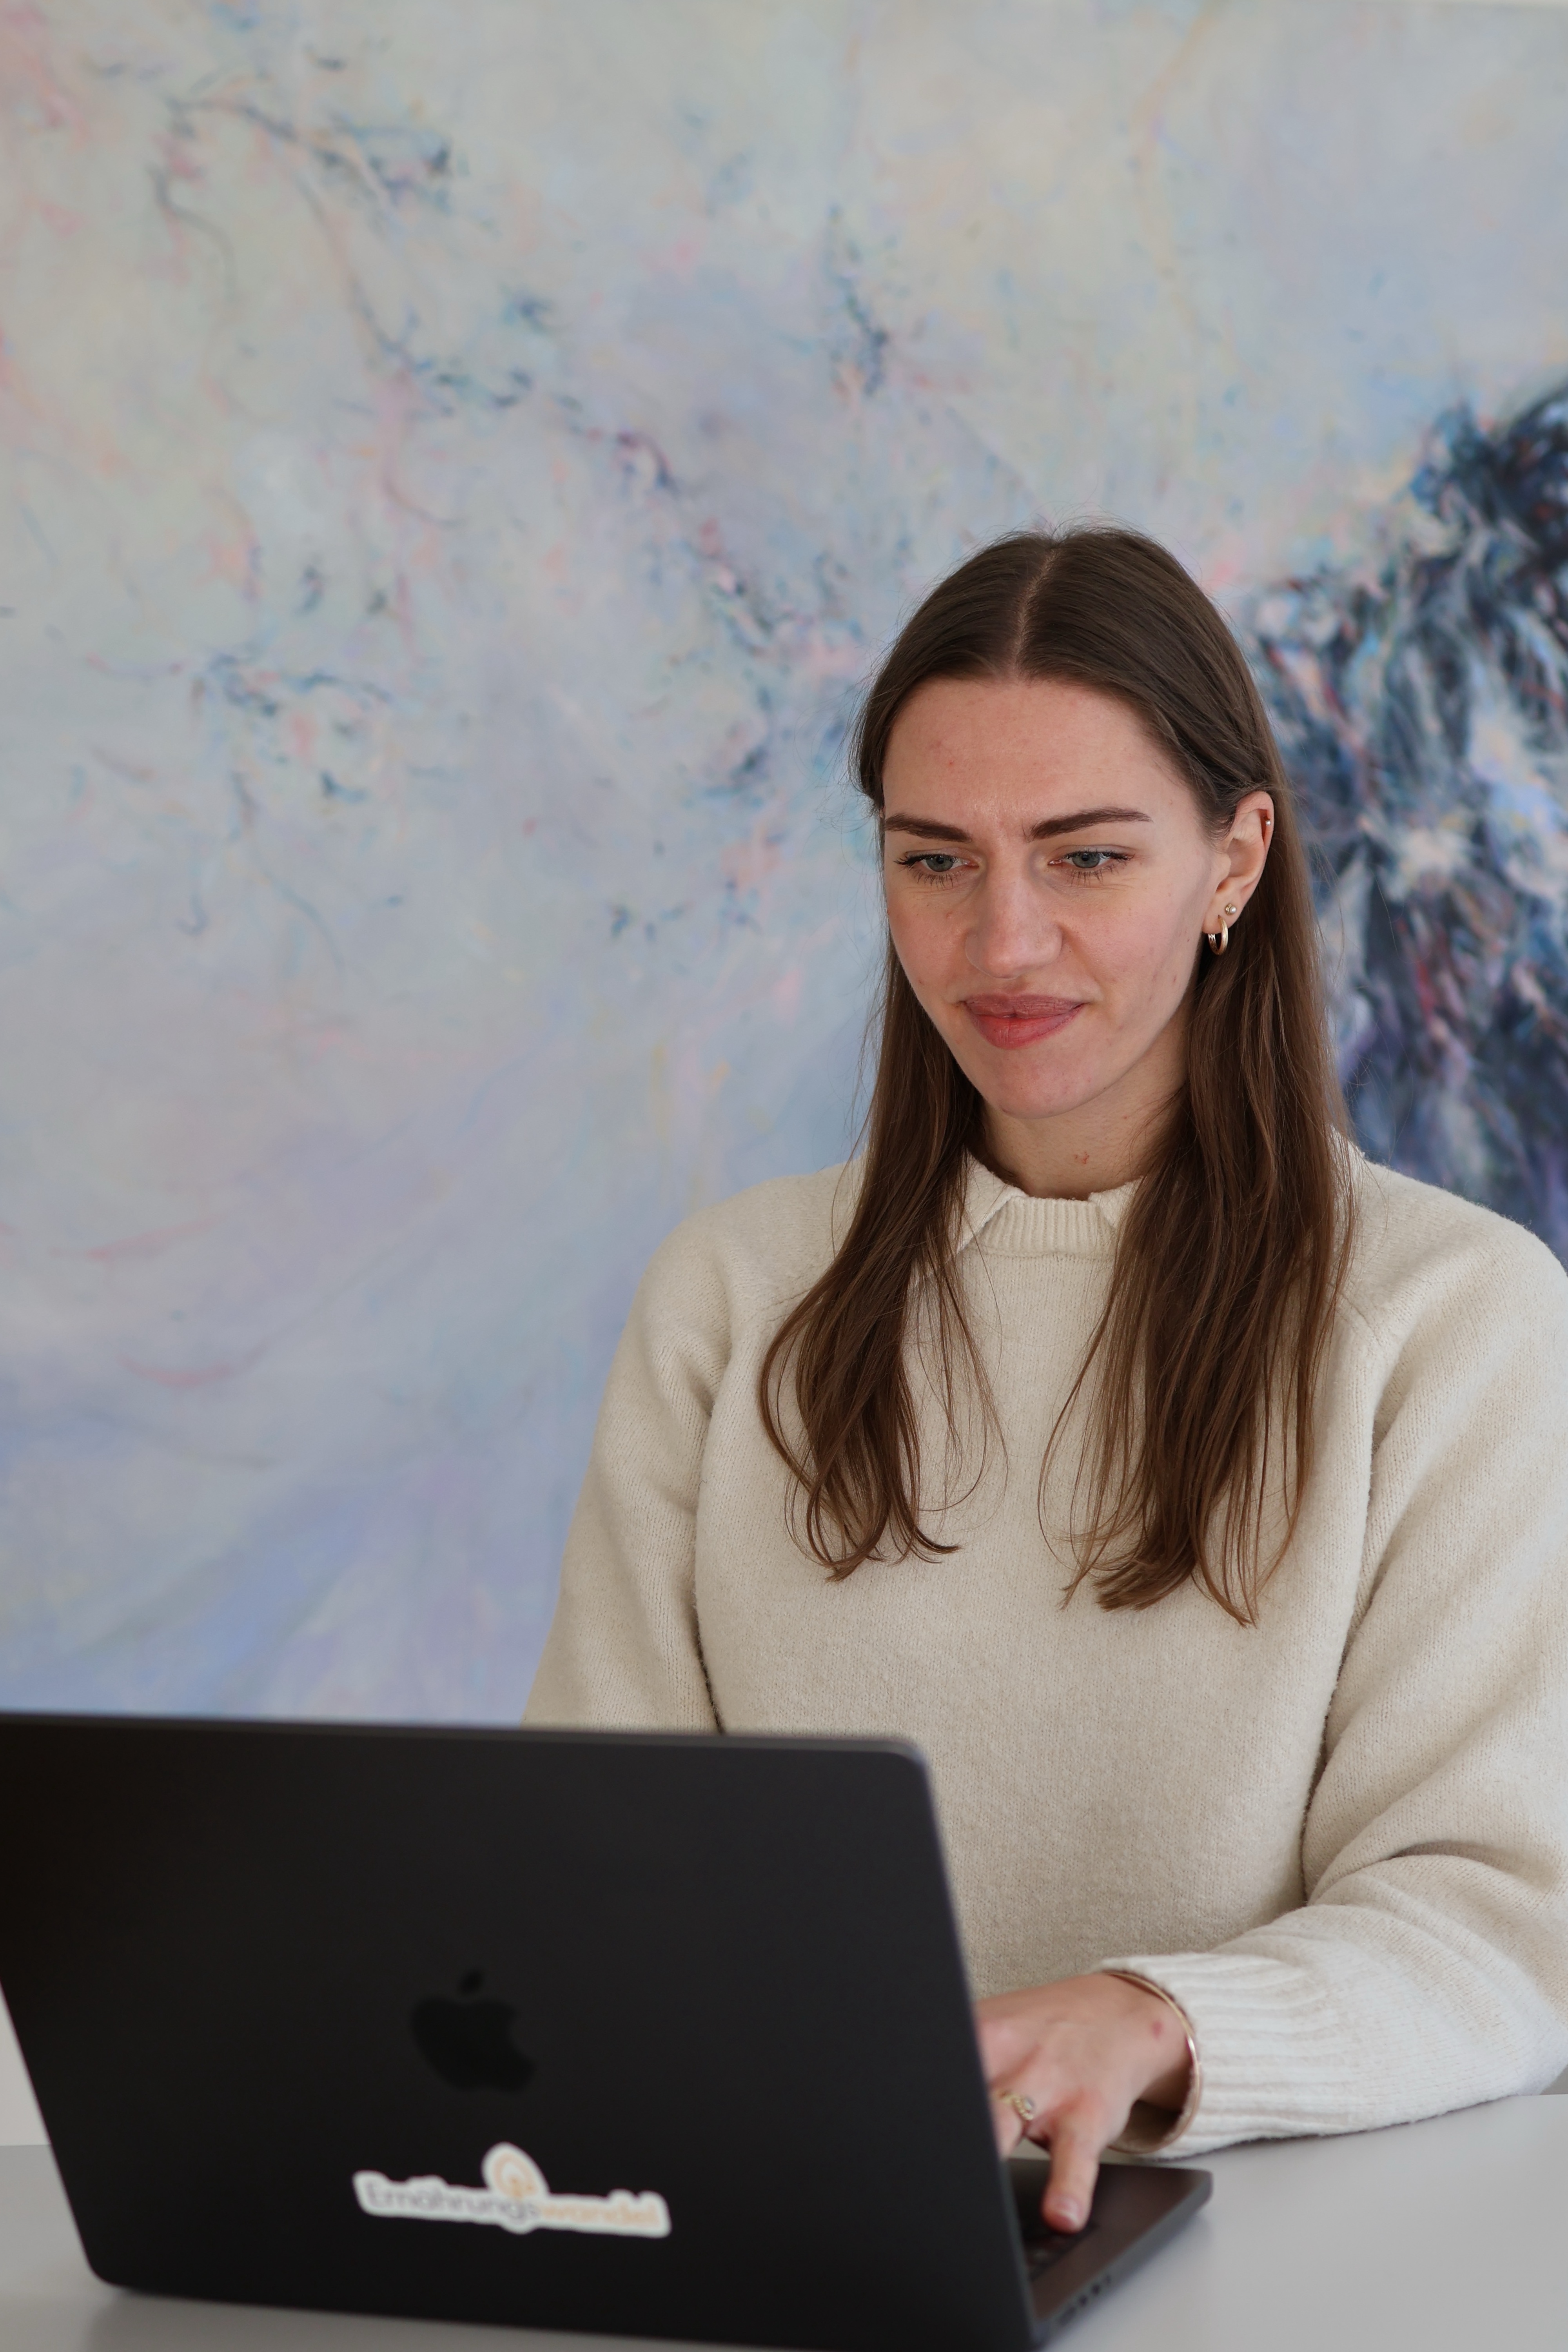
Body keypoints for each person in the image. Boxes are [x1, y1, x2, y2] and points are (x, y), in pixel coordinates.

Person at [526, 527, 1568, 2233]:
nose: (1002, 942)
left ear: (1235, 860)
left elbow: (1500, 1923)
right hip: (788, 2246)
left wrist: (1159, 2023)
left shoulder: (1453, 1320)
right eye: (935, 861)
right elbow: (590, 1866)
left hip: (1284, 2265)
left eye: (1086, 858)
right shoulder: (731, 1299)